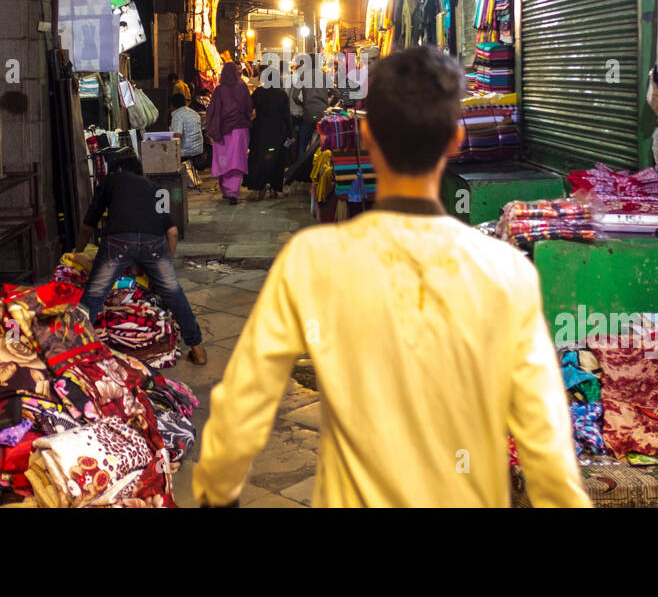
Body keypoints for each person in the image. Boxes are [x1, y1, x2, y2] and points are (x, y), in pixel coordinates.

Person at [192, 45, 588, 507]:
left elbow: (245, 403)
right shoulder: (507, 274)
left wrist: (217, 490)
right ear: (456, 140)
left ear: (367, 134)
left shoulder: (315, 260)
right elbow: (547, 446)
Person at [75, 150, 207, 365]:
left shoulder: (111, 180)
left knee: (94, 295)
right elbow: (172, 232)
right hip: (153, 243)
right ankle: (198, 348)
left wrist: (77, 252)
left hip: (117, 241)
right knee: (173, 292)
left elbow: (89, 224)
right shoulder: (156, 189)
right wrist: (164, 263)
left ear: (118, 169)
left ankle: (76, 350)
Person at [205, 61, 251, 205]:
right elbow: (248, 107)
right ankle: (233, 191)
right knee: (236, 160)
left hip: (222, 130)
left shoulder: (219, 90)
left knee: (223, 159)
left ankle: (226, 190)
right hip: (240, 130)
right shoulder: (242, 87)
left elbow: (211, 110)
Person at [245, 64, 292, 199]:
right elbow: (286, 115)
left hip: (261, 130)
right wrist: (290, 133)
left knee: (259, 159)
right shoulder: (281, 94)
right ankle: (274, 188)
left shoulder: (259, 92)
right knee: (277, 160)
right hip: (278, 132)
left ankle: (259, 187)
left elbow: (249, 108)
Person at [168, 93, 205, 169]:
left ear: (172, 105)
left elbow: (177, 136)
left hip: (186, 151)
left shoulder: (177, 115)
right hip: (198, 149)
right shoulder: (194, 113)